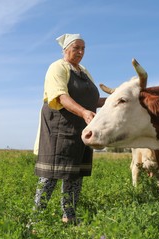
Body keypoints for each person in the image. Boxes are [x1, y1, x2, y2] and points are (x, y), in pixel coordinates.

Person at [33, 33, 105, 224]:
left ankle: (69, 216)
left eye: (83, 49)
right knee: (51, 175)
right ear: (65, 50)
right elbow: (61, 96)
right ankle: (36, 219)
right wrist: (84, 113)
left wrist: (118, 99)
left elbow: (93, 101)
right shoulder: (57, 67)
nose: (80, 52)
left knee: (74, 175)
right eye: (76, 48)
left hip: (80, 129)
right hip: (59, 127)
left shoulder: (84, 71)